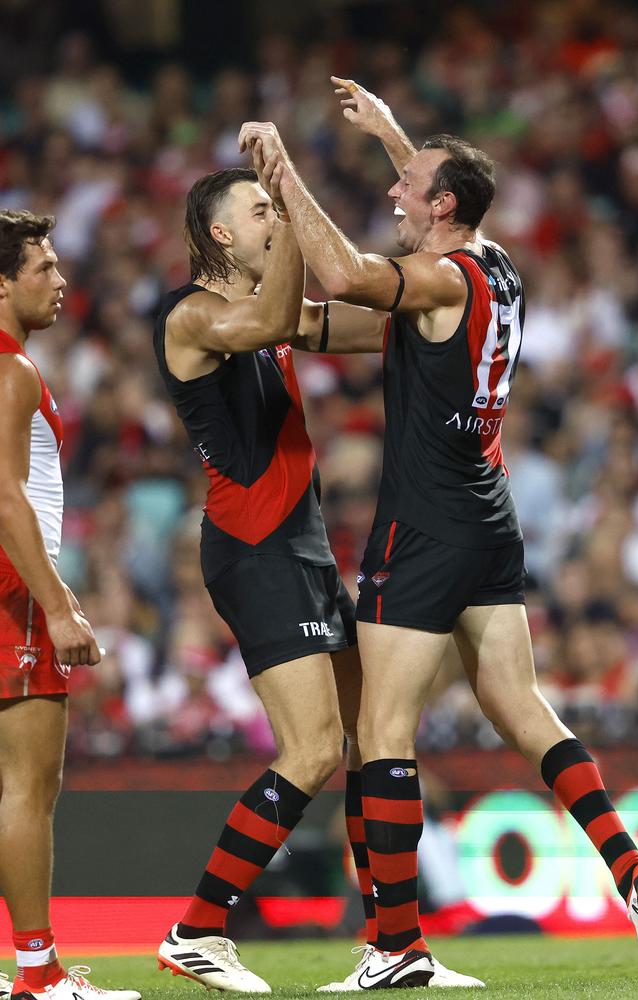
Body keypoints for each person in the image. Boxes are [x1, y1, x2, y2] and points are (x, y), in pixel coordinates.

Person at [239, 80, 638, 989]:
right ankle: (635, 871)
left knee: (380, 733)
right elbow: (410, 241)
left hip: (422, 525)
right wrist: (391, 133)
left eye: (408, 184)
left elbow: (345, 276)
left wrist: (284, 171)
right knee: (520, 705)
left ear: (445, 207)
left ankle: (397, 949)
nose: (393, 191)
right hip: (487, 519)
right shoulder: (497, 268)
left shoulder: (433, 279)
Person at [153, 147, 480, 992]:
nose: (274, 216)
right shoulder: (192, 316)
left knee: (375, 742)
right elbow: (261, 326)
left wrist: (455, 303)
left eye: (276, 207)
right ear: (222, 233)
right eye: (259, 210)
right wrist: (300, 200)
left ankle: (393, 948)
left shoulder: (279, 313)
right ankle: (196, 930)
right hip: (255, 549)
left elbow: (383, 325)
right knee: (310, 752)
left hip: (300, 548)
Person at [0, 210, 140, 1000]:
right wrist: (55, 605)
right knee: (29, 787)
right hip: (10, 593)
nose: (60, 281)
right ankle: (36, 972)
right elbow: (7, 496)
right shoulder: (11, 367)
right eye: (43, 267)